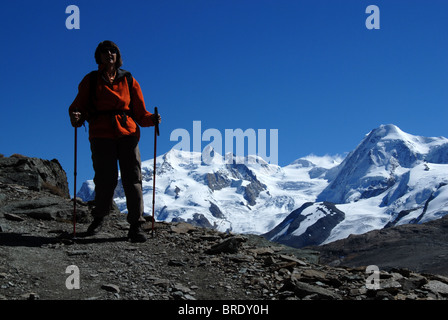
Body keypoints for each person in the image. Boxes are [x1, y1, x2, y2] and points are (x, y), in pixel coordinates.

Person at [69, 40, 161, 243]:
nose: (109, 54)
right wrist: (76, 117)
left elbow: (139, 112)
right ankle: (99, 217)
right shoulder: (91, 80)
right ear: (98, 57)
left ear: (117, 56)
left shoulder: (128, 80)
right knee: (105, 178)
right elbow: (78, 107)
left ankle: (136, 224)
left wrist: (151, 120)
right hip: (101, 134)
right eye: (105, 51)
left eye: (113, 51)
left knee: (133, 178)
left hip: (127, 133)